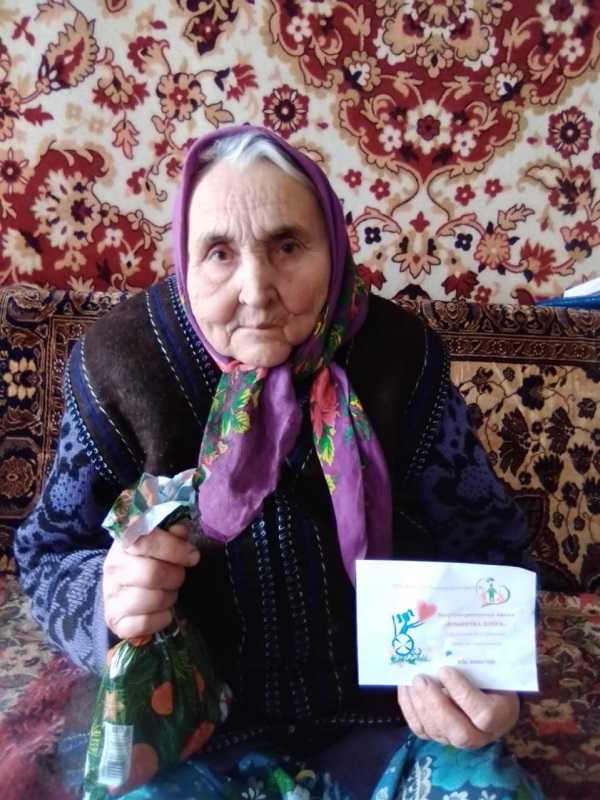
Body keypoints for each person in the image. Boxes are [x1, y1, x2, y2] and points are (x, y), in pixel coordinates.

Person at [15, 126, 542, 799]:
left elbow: (492, 545)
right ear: (184, 258)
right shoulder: (121, 365)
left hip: (397, 720)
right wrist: (107, 595)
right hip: (191, 730)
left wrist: (491, 681)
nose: (256, 289)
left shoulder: (401, 358)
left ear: (334, 246)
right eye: (218, 253)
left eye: (287, 246)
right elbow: (47, 552)